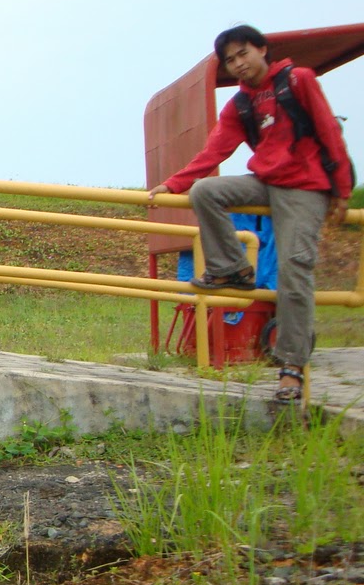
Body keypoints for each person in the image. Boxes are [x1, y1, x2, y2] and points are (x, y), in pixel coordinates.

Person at [147, 24, 354, 403]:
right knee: (207, 190)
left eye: (243, 53)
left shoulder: (298, 80)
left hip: (305, 187)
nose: (239, 63)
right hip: (266, 181)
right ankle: (234, 268)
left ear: (261, 50)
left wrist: (341, 190)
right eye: (230, 60)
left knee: (294, 269)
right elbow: (214, 152)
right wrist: (173, 184)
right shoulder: (240, 105)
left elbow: (328, 131)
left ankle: (291, 368)